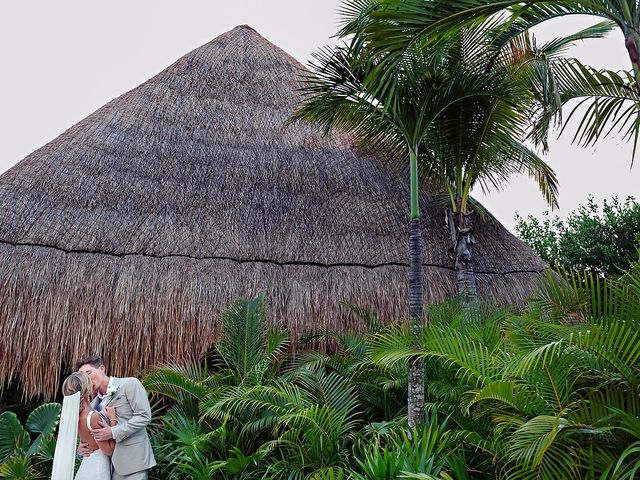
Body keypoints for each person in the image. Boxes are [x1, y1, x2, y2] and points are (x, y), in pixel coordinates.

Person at [77, 355, 156, 480]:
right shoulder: (92, 405)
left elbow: (144, 416)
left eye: (89, 373)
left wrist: (113, 432)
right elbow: (92, 434)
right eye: (83, 377)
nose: (87, 379)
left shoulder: (130, 384)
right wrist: (82, 448)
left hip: (132, 463)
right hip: (106, 468)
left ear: (102, 368)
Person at [52, 371, 114, 479]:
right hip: (97, 470)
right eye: (89, 381)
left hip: (87, 466)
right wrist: (113, 419)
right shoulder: (92, 417)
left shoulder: (75, 416)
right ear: (86, 390)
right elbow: (108, 450)